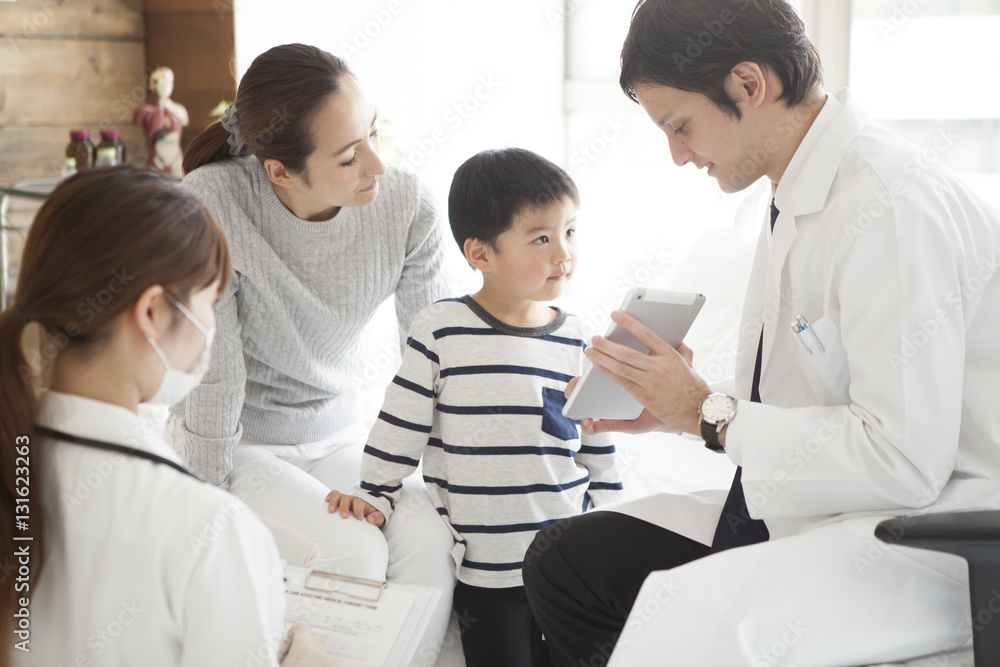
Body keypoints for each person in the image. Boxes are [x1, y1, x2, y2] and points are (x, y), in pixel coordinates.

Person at [522, 1, 1000, 665]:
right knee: (567, 561)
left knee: (681, 619)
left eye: (680, 125)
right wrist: (675, 410)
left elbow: (903, 462)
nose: (677, 154)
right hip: (823, 502)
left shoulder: (889, 204)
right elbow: (817, 396)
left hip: (929, 537)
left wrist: (705, 411)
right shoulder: (795, 194)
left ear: (749, 84)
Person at [171, 43, 456, 664]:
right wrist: (206, 505)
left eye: (374, 132)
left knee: (431, 542)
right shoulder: (212, 202)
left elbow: (434, 360)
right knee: (353, 551)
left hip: (334, 435)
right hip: (241, 440)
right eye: (350, 156)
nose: (378, 164)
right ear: (280, 171)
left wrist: (451, 479)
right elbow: (214, 378)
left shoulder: (408, 207)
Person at [0, 166, 332, 665]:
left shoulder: (18, 456)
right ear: (153, 313)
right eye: (209, 301)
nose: (213, 325)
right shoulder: (210, 529)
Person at [327, 148, 625, 667]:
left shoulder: (579, 338)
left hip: (570, 565)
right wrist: (376, 491)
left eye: (570, 232)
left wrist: (613, 518)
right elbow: (402, 422)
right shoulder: (442, 329)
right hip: (488, 574)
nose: (564, 254)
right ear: (481, 253)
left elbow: (596, 441)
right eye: (541, 238)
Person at [133, 66, 189, 178]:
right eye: (161, 82)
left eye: (169, 82)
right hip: (154, 165)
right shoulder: (143, 111)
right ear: (153, 84)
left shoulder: (179, 110)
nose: (165, 86)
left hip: (176, 166)